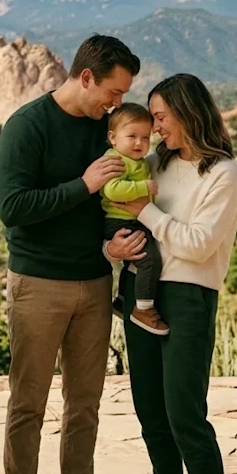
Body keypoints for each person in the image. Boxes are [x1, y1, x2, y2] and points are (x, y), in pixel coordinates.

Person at [0, 34, 145, 474]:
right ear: (86, 77)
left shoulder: (107, 129)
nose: (117, 103)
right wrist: (82, 185)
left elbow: (112, 205)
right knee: (28, 402)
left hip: (95, 283)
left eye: (123, 96)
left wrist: (113, 247)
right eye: (113, 92)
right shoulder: (27, 126)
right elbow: (13, 210)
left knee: (85, 403)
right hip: (37, 284)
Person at [108, 74, 237, 474]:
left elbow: (198, 244)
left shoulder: (223, 173)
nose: (155, 126)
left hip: (189, 297)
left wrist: (145, 211)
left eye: (162, 117)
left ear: (188, 113)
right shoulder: (155, 164)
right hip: (138, 291)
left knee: (184, 410)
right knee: (150, 409)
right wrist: (113, 249)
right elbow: (118, 210)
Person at [100, 102, 167, 336]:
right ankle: (144, 309)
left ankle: (121, 300)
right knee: (149, 260)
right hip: (120, 220)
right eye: (132, 136)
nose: (139, 143)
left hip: (129, 219)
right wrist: (143, 187)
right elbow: (112, 190)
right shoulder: (116, 160)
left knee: (135, 261)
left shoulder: (135, 160)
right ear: (113, 137)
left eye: (145, 138)